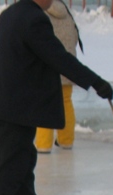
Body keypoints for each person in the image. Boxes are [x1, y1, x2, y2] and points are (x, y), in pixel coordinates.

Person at [0, 0, 113, 195]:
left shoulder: (10, 14)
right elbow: (58, 57)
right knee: (9, 167)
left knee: (22, 162)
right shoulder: (33, 19)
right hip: (15, 107)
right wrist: (95, 81)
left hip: (9, 104)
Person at [35, 0, 82, 153]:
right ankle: (66, 140)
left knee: (44, 104)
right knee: (66, 102)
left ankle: (43, 144)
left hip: (47, 66)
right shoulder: (66, 12)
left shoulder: (40, 14)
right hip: (67, 65)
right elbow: (74, 36)